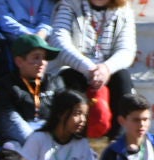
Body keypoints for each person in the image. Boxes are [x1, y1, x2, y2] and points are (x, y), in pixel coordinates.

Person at [50, 0, 135, 131]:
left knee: (122, 78)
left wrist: (106, 68)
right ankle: (76, 136)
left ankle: (117, 139)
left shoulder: (124, 10)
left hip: (106, 70)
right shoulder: (69, 5)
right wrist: (89, 68)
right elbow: (59, 42)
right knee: (70, 78)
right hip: (75, 67)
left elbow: (127, 50)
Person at [18, 88, 93, 160]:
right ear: (60, 114)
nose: (82, 120)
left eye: (85, 115)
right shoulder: (38, 139)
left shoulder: (82, 144)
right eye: (77, 114)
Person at [0, 32, 60, 147]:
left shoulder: (56, 82)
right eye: (36, 58)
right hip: (22, 142)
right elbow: (10, 121)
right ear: (19, 62)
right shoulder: (6, 85)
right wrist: (37, 145)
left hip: (52, 139)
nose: (42, 63)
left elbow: (63, 115)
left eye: (44, 58)